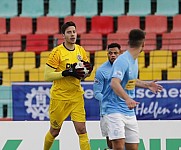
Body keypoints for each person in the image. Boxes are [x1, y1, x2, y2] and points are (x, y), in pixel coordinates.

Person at [101, 29, 163, 150]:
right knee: (118, 146)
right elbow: (114, 83)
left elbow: (131, 80)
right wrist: (127, 98)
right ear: (143, 44)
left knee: (133, 148)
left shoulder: (134, 60)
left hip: (128, 112)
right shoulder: (122, 60)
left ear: (128, 42)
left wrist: (147, 85)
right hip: (113, 109)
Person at [43, 21, 93, 150]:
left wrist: (87, 72)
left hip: (76, 95)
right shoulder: (57, 52)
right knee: (55, 131)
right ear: (63, 35)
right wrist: (66, 72)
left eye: (74, 32)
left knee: (82, 129)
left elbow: (84, 74)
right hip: (60, 97)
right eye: (69, 32)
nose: (72, 35)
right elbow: (47, 76)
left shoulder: (80, 50)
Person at [93, 43, 122, 149]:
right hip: (108, 111)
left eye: (115, 53)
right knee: (111, 140)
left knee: (124, 138)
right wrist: (108, 100)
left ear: (120, 54)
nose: (113, 55)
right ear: (107, 54)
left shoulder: (125, 69)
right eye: (110, 53)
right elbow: (97, 93)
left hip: (123, 109)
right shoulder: (101, 71)